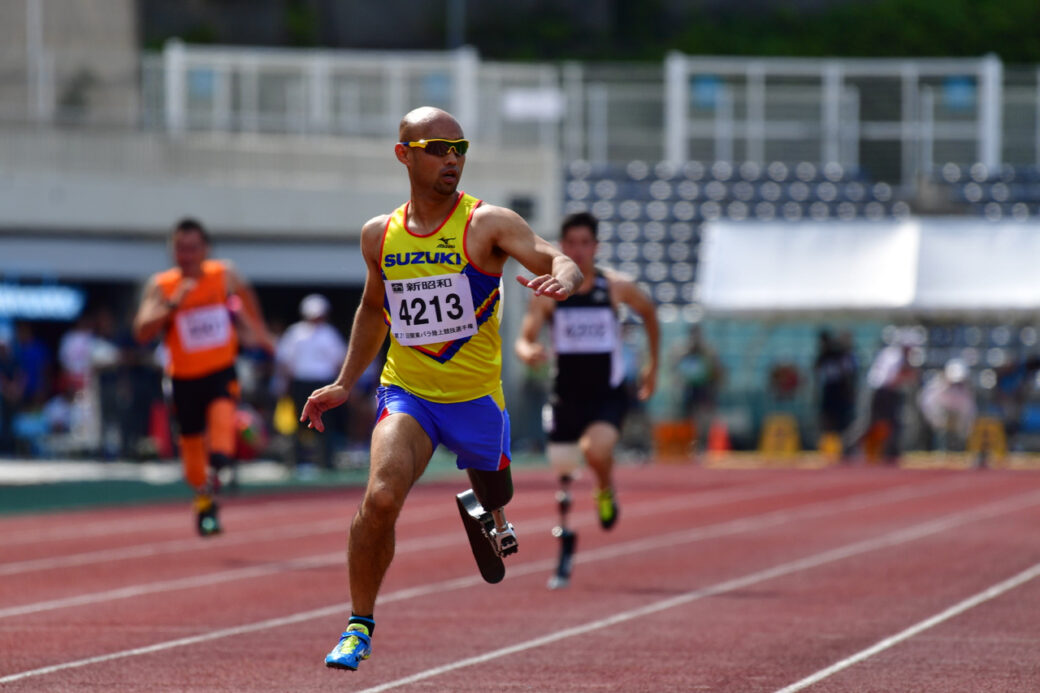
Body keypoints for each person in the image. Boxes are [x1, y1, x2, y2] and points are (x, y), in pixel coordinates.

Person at [301, 107, 581, 672]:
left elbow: (557, 256)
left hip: (476, 398)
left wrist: (566, 279)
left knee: (496, 493)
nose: (452, 158)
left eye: (460, 148)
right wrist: (344, 382)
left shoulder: (487, 224)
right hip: (408, 393)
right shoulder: (379, 235)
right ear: (404, 154)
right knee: (381, 497)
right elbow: (374, 308)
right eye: (438, 148)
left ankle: (488, 512)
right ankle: (358, 626)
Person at [514, 211, 659, 588]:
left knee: (596, 450)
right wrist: (528, 351)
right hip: (565, 396)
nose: (578, 251)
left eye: (585, 243)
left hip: (606, 395)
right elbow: (525, 337)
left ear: (595, 247)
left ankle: (604, 489)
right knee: (563, 472)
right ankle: (565, 543)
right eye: (571, 244)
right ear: (562, 247)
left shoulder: (615, 287)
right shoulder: (549, 294)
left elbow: (649, 312)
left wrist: (652, 367)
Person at [133, 218, 274, 536]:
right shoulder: (162, 285)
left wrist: (261, 334)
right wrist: (172, 305)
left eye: (193, 248)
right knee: (193, 463)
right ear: (172, 251)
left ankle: (221, 462)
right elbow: (141, 331)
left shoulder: (224, 274)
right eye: (180, 248)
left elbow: (248, 302)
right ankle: (206, 503)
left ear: (206, 249)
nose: (187, 255)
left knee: (222, 428)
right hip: (183, 379)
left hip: (220, 371)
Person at [275, 293, 348, 474]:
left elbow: (339, 361)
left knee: (325, 422)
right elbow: (285, 361)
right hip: (301, 382)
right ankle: (296, 462)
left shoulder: (329, 334)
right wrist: (284, 384)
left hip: (323, 382)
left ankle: (326, 461)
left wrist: (340, 384)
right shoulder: (296, 333)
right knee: (298, 421)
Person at [670, 323, 723, 455]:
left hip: (704, 388)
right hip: (688, 388)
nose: (695, 337)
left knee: (704, 418)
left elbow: (716, 370)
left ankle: (702, 444)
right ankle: (688, 445)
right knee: (686, 417)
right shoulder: (683, 349)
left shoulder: (708, 350)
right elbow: (675, 367)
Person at [917, 358, 976, 453]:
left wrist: (963, 427)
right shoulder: (937, 387)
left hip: (957, 424)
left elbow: (968, 411)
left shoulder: (965, 391)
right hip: (937, 421)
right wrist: (938, 420)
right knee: (940, 438)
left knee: (957, 441)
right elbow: (927, 404)